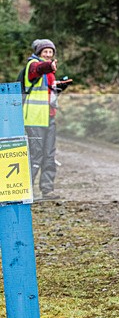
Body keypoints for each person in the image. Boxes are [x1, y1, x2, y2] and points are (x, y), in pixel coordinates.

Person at [22, 39, 70, 200]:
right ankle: (26, 191)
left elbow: (49, 92)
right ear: (38, 52)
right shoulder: (33, 65)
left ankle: (47, 190)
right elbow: (38, 69)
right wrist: (49, 66)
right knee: (35, 155)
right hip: (34, 119)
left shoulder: (50, 73)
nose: (48, 54)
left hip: (49, 117)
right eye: (45, 52)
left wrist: (59, 87)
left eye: (51, 52)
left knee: (49, 155)